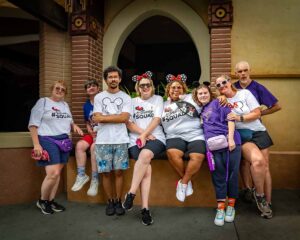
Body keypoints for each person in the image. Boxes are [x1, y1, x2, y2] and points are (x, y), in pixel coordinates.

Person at [216, 75, 273, 219]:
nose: (222, 85)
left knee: (265, 168)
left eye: (224, 82)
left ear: (230, 82)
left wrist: (240, 118)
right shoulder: (221, 102)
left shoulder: (245, 93)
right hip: (244, 136)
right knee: (258, 162)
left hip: (259, 131)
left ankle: (267, 200)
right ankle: (259, 196)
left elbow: (257, 112)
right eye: (218, 85)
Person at [29, 80, 83, 215]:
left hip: (64, 141)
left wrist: (74, 126)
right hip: (48, 139)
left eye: (63, 89)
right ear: (52, 89)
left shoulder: (65, 105)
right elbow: (33, 125)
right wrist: (36, 144)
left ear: (65, 93)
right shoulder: (43, 102)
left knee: (57, 173)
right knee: (52, 173)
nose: (59, 90)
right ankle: (42, 201)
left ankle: (50, 200)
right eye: (57, 88)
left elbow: (69, 120)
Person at [192, 84, 241, 226]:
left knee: (232, 174)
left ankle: (230, 206)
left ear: (210, 93)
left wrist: (231, 139)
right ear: (197, 97)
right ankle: (220, 208)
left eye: (205, 93)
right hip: (213, 148)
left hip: (230, 143)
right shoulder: (201, 110)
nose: (202, 95)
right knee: (218, 175)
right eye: (199, 94)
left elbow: (231, 119)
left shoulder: (219, 103)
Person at [234, 61, 281, 206]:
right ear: (235, 73)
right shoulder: (232, 88)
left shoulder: (258, 87)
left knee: (263, 164)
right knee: (244, 162)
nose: (242, 73)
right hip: (241, 131)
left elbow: (277, 106)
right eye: (239, 71)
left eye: (245, 70)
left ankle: (267, 200)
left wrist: (259, 113)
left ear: (249, 71)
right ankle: (248, 190)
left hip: (257, 129)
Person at [122, 71, 166, 226]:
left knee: (145, 155)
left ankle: (131, 193)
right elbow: (129, 123)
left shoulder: (158, 99)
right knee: (146, 170)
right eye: (142, 85)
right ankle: (145, 209)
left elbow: (156, 119)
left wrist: (146, 134)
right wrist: (143, 135)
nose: (145, 87)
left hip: (157, 138)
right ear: (138, 88)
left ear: (152, 87)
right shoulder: (131, 102)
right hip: (135, 140)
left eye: (148, 85)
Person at [92, 66, 131, 216]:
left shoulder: (126, 98)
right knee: (106, 173)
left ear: (120, 79)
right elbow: (96, 117)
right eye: (110, 77)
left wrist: (104, 118)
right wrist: (116, 117)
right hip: (103, 141)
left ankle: (118, 201)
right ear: (106, 79)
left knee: (119, 172)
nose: (113, 79)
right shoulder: (99, 97)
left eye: (116, 77)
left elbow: (124, 118)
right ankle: (109, 201)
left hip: (121, 140)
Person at [161, 74, 206, 202]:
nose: (176, 90)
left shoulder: (192, 99)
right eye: (173, 87)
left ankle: (184, 182)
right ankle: (188, 181)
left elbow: (208, 99)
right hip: (174, 136)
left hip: (195, 134)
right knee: (172, 153)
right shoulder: (163, 105)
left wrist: (221, 98)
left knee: (197, 156)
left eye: (179, 87)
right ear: (168, 90)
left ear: (184, 89)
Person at [71, 79, 100, 196]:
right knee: (79, 146)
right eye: (88, 87)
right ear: (86, 91)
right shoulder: (86, 106)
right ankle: (82, 175)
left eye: (93, 86)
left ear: (98, 88)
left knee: (93, 147)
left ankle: (95, 179)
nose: (91, 88)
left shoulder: (103, 102)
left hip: (104, 135)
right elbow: (87, 122)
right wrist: (88, 129)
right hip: (92, 133)